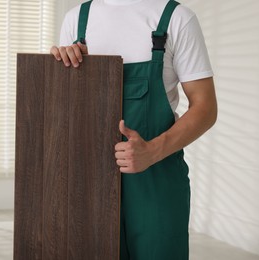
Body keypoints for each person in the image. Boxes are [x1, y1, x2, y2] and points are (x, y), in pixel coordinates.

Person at [50, 0, 217, 259]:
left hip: (157, 180)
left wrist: (151, 151)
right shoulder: (76, 20)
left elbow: (205, 108)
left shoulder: (176, 18)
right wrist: (65, 68)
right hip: (89, 181)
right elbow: (65, 108)